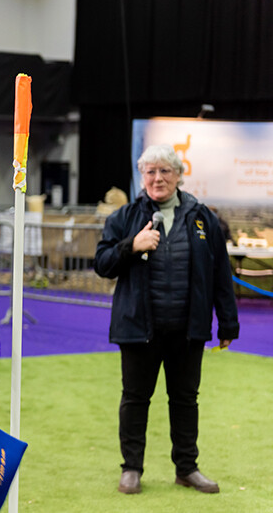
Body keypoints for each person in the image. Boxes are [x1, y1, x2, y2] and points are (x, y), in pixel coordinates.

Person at [94, 144, 239, 495]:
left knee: (186, 400)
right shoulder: (124, 217)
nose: (157, 178)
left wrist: (228, 323)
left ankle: (187, 468)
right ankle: (131, 469)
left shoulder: (203, 217)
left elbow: (221, 272)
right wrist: (132, 245)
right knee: (135, 400)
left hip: (188, 330)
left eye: (165, 171)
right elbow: (102, 264)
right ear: (141, 177)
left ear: (178, 175)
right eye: (150, 172)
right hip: (139, 327)